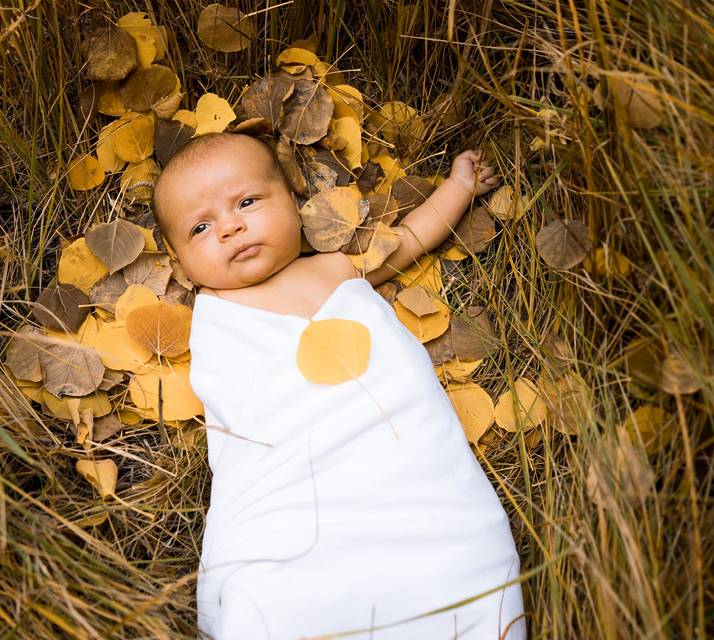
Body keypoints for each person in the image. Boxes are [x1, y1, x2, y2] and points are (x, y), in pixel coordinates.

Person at [153, 132, 526, 639]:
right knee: (278, 597)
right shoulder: (211, 312)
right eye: (200, 227)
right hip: (285, 489)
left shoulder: (335, 268)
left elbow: (414, 237)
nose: (230, 227)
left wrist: (459, 186)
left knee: (445, 561)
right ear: (180, 261)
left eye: (246, 202)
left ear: (292, 202)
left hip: (400, 473)